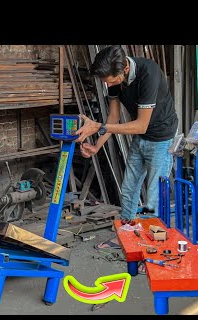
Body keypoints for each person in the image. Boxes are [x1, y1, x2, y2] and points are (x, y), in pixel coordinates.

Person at [75, 45, 178, 250]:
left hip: (161, 137)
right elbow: (113, 117)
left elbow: (141, 125)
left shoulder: (149, 73)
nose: (108, 84)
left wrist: (98, 127)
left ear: (125, 70)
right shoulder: (113, 79)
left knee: (154, 195)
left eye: (111, 80)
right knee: (129, 188)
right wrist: (96, 145)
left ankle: (153, 249)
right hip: (140, 137)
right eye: (106, 81)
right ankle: (125, 235)